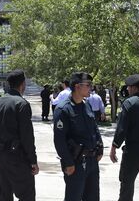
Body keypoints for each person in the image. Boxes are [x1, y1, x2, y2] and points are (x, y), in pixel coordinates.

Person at [53, 72, 103, 201]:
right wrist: (68, 162)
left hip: (92, 161)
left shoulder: (86, 105)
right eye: (88, 85)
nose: (90, 88)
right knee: (73, 197)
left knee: (93, 197)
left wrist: (100, 148)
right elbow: (59, 140)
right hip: (76, 162)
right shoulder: (63, 109)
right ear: (77, 86)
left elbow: (94, 128)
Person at [0, 70, 39, 201]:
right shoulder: (21, 104)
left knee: (5, 194)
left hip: (1, 155)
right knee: (27, 195)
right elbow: (27, 137)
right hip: (17, 157)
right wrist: (33, 160)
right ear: (22, 84)